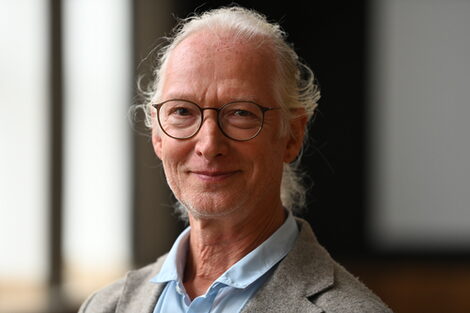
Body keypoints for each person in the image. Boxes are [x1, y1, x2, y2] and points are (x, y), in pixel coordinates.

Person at [79, 6, 393, 313]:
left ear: (292, 135)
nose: (209, 144)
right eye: (183, 112)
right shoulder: (105, 305)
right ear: (158, 136)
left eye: (241, 113)